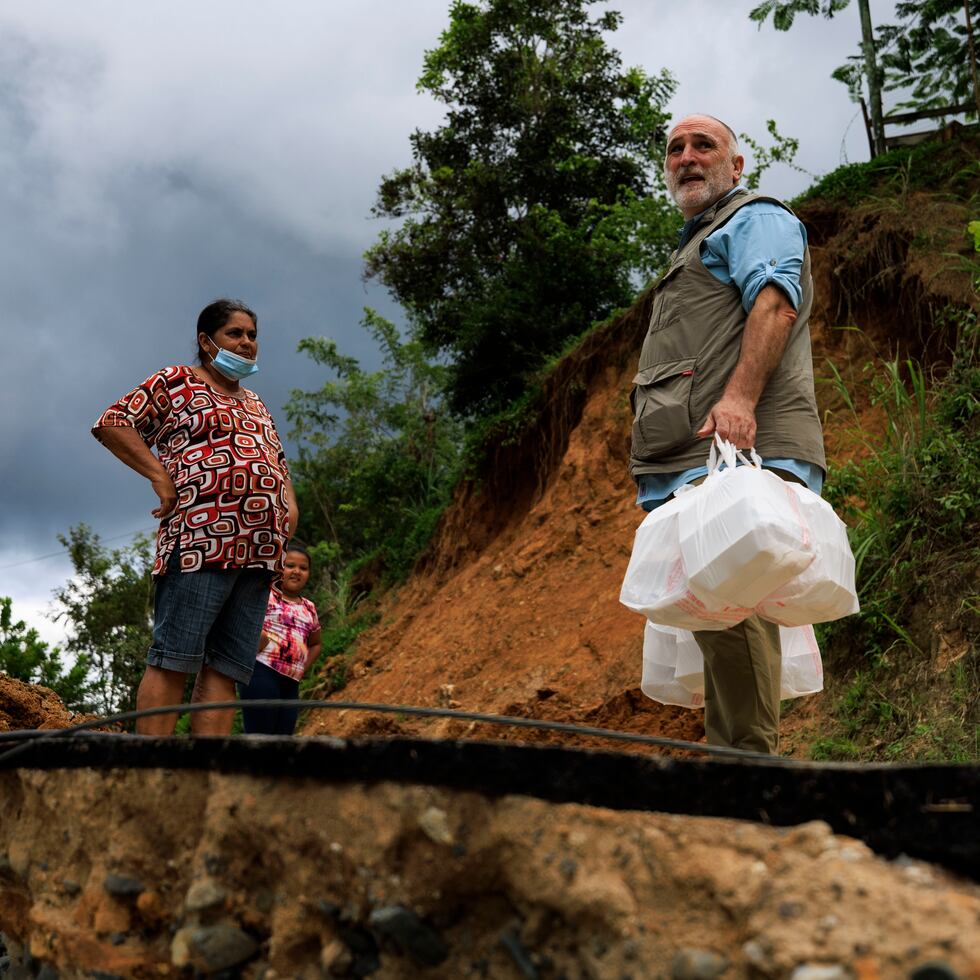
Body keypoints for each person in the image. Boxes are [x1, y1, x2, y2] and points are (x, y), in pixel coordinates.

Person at [629, 114, 826, 754]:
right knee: (719, 613)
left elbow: (775, 300)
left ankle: (749, 776)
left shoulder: (755, 219)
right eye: (675, 149)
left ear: (735, 167)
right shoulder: (701, 238)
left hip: (735, 446)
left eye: (703, 145)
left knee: (730, 605)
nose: (686, 157)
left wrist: (739, 399)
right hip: (701, 451)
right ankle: (733, 766)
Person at [92, 298, 298, 736]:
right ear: (207, 341)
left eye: (252, 335)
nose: (246, 343)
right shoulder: (178, 381)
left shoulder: (256, 402)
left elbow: (277, 460)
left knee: (227, 669)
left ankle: (205, 778)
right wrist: (159, 477)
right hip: (201, 542)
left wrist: (289, 503)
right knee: (174, 659)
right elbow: (113, 422)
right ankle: (147, 774)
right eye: (235, 334)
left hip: (260, 552)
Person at [237, 543, 322, 735]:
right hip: (261, 673)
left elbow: (315, 643)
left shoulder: (309, 607)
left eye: (303, 568)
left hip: (291, 682)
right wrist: (258, 640)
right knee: (260, 736)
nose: (296, 572)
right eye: (289, 565)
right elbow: (239, 620)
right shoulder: (265, 595)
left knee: (284, 738)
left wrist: (302, 668)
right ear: (278, 567)